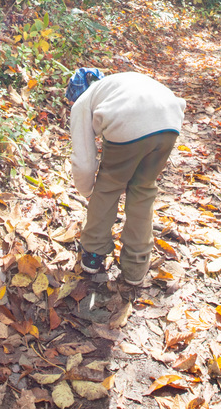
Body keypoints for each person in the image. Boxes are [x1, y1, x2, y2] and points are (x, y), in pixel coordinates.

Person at [66, 67, 186, 286]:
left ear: (75, 94)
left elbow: (84, 162)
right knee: (143, 189)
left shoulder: (82, 103)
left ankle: (93, 253)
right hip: (170, 119)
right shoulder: (113, 85)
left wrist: (88, 191)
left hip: (129, 118)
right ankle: (136, 267)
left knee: (108, 185)